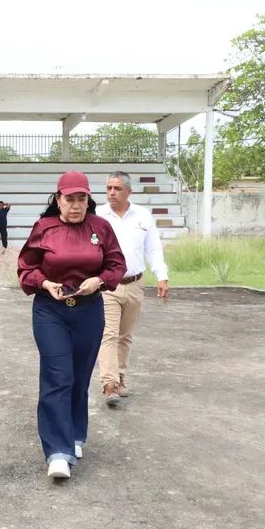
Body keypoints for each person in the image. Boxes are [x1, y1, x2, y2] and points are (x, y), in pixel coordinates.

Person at [17, 171, 125, 479]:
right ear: (58, 200)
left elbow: (116, 264)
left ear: (88, 200)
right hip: (51, 312)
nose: (75, 205)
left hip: (89, 312)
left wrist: (99, 280)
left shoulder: (101, 228)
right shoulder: (44, 228)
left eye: (81, 199)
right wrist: (44, 282)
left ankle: (75, 435)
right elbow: (26, 267)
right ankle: (57, 452)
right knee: (57, 375)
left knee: (79, 377)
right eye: (69, 199)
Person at [95, 171, 170, 407]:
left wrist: (162, 276)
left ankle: (120, 378)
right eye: (108, 188)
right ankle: (109, 384)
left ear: (129, 192)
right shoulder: (97, 216)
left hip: (135, 284)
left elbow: (153, 249)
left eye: (117, 189)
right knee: (108, 334)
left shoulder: (142, 216)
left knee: (125, 336)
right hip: (107, 285)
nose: (111, 193)